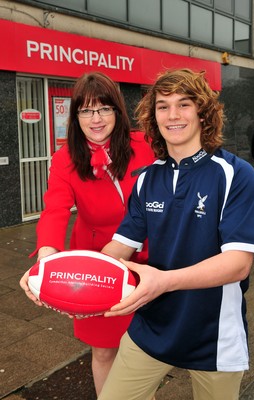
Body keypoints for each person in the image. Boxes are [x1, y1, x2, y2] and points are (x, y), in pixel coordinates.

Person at [97, 68, 254, 400]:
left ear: (203, 113)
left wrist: (163, 281)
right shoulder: (147, 178)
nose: (172, 114)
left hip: (213, 334)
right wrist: (76, 280)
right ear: (153, 116)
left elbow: (237, 264)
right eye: (163, 106)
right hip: (152, 325)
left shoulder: (236, 174)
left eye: (184, 104)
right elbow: (120, 246)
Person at [19, 71, 155, 397]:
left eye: (104, 108)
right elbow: (54, 209)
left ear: (117, 111)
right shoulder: (65, 158)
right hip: (98, 266)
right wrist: (46, 257)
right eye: (86, 110)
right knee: (104, 349)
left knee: (148, 349)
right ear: (75, 114)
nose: (96, 119)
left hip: (149, 258)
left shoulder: (145, 145)